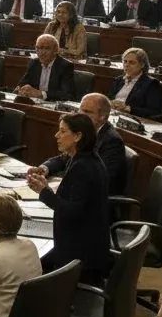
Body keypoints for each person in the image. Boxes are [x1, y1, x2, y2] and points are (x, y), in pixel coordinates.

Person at [27, 113, 110, 283]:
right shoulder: (83, 157)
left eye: (62, 131)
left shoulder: (84, 167)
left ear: (78, 136)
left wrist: (44, 192)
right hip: (82, 240)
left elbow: (73, 211)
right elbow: (61, 162)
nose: (57, 135)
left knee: (28, 265)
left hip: (81, 254)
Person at [39, 93, 128, 195]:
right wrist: (45, 168)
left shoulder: (112, 141)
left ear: (103, 117)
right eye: (80, 110)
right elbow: (65, 158)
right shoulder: (84, 131)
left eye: (87, 112)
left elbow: (101, 180)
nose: (80, 114)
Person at [110, 46, 162, 119]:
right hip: (113, 115)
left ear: (142, 65)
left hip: (133, 120)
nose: (126, 65)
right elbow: (109, 98)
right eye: (125, 61)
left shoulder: (150, 84)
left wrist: (128, 109)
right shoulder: (118, 80)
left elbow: (153, 111)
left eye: (132, 62)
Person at [15, 34, 75, 100]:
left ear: (56, 50)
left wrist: (41, 94)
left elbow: (66, 94)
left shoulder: (65, 66)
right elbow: (22, 84)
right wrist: (23, 89)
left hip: (52, 104)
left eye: (46, 48)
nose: (41, 52)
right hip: (35, 102)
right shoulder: (34, 63)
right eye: (38, 48)